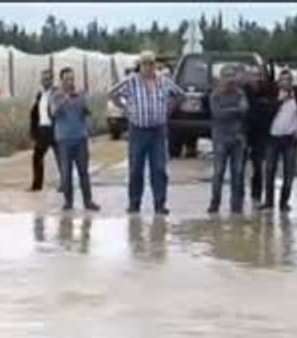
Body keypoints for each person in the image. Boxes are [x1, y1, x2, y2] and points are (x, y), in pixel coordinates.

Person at [109, 50, 184, 215]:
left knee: (159, 168)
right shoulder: (131, 81)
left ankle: (160, 204)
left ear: (155, 64)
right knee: (136, 168)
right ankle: (134, 204)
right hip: (138, 130)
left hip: (158, 131)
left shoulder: (163, 81)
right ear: (140, 65)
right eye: (145, 63)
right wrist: (125, 109)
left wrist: (168, 109)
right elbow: (112, 93)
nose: (149, 67)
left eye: (151, 63)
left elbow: (180, 94)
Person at [262, 68, 297, 212]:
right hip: (273, 139)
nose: (285, 83)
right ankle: (269, 202)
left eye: (288, 80)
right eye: (282, 80)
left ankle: (284, 203)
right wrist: (279, 101)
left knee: (289, 173)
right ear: (278, 82)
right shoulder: (273, 96)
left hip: (290, 140)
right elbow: (264, 115)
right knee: (269, 171)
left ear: (292, 82)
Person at [50, 67, 101, 212]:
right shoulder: (56, 95)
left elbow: (87, 112)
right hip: (64, 139)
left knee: (83, 171)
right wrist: (66, 99)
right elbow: (54, 113)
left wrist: (83, 101)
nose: (70, 82)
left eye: (72, 79)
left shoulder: (79, 94)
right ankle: (68, 202)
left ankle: (88, 201)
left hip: (80, 138)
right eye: (67, 79)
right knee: (66, 172)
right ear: (61, 81)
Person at [208, 64, 249, 214]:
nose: (230, 80)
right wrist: (235, 110)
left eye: (232, 76)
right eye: (226, 76)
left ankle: (236, 205)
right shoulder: (215, 95)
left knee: (237, 173)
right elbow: (218, 114)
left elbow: (245, 110)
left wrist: (230, 110)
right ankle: (215, 203)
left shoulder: (240, 94)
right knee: (218, 172)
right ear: (221, 79)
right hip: (220, 138)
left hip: (238, 138)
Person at [242, 66, 277, 207]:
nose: (258, 78)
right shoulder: (244, 91)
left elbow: (274, 108)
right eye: (254, 75)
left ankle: (259, 196)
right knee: (241, 166)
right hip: (246, 132)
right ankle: (241, 195)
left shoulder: (271, 90)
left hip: (264, 133)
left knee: (261, 167)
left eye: (260, 75)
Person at [28, 69, 63, 192]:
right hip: (43, 130)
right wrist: (34, 130)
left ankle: (65, 184)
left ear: (52, 80)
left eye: (48, 79)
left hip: (55, 129)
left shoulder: (57, 93)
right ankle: (37, 185)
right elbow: (35, 112)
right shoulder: (40, 94)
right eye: (43, 79)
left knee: (60, 158)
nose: (45, 81)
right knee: (37, 157)